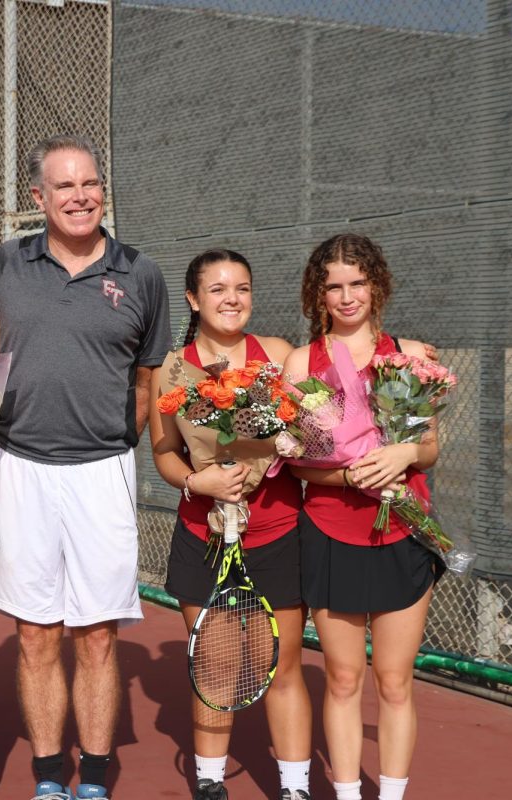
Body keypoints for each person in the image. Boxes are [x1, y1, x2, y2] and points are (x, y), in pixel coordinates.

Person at [0, 134, 171, 800]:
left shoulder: (140, 272)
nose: (80, 196)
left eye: (90, 184)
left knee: (97, 636)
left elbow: (148, 377)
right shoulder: (3, 265)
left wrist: (119, 441)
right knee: (34, 635)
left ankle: (96, 776)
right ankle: (50, 775)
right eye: (64, 186)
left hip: (103, 472)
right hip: (20, 467)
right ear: (38, 198)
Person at [281, 234, 443, 800]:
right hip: (330, 530)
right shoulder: (302, 363)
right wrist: (348, 475)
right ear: (317, 295)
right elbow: (300, 465)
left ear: (375, 285)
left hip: (404, 529)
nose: (347, 297)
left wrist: (402, 453)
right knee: (345, 678)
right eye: (333, 287)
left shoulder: (412, 355)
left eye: (357, 283)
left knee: (396, 681)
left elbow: (428, 448)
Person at [148, 249, 313, 800]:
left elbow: (319, 414)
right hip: (205, 535)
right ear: (194, 300)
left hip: (279, 533)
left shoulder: (281, 356)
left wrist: (288, 446)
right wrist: (202, 484)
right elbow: (166, 453)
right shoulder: (172, 369)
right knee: (216, 665)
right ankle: (211, 783)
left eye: (241, 288)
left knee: (282, 664)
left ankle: (294, 787)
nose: (231, 299)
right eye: (217, 290)